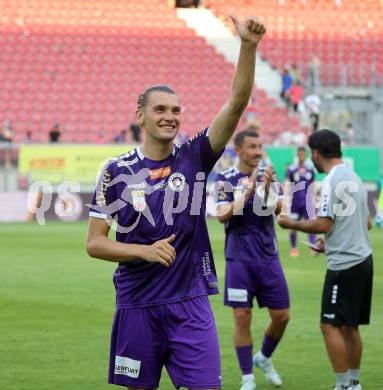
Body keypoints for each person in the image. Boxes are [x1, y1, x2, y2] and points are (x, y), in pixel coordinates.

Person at [86, 16, 266, 390]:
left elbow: (235, 105)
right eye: (160, 110)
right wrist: (145, 252)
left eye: (175, 110)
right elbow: (95, 243)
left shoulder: (194, 156)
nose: (170, 117)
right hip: (137, 305)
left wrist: (248, 46)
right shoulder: (115, 171)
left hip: (190, 303)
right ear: (141, 116)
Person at [278, 129, 373, 390]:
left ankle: (342, 386)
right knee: (350, 327)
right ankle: (354, 383)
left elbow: (323, 223)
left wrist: (292, 224)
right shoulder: (355, 177)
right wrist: (329, 241)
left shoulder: (331, 181)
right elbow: (365, 223)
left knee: (329, 325)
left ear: (316, 153)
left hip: (344, 264)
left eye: (312, 155)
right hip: (363, 260)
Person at [215, 129, 289, 390]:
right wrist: (246, 192)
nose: (258, 151)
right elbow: (222, 215)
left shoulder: (269, 174)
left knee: (282, 316)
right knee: (242, 317)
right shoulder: (225, 178)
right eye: (252, 147)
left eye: (260, 146)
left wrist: (267, 188)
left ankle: (264, 358)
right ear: (238, 150)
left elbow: (281, 209)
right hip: (239, 260)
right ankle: (247, 376)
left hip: (268, 257)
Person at [284, 146, 316, 257]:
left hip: (308, 202)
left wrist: (314, 198)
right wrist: (287, 198)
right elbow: (287, 184)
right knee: (293, 225)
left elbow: (313, 184)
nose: (301, 155)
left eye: (303, 154)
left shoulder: (310, 169)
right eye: (300, 153)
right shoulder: (292, 169)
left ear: (306, 155)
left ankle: (313, 248)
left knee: (312, 225)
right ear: (297, 155)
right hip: (295, 202)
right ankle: (294, 248)